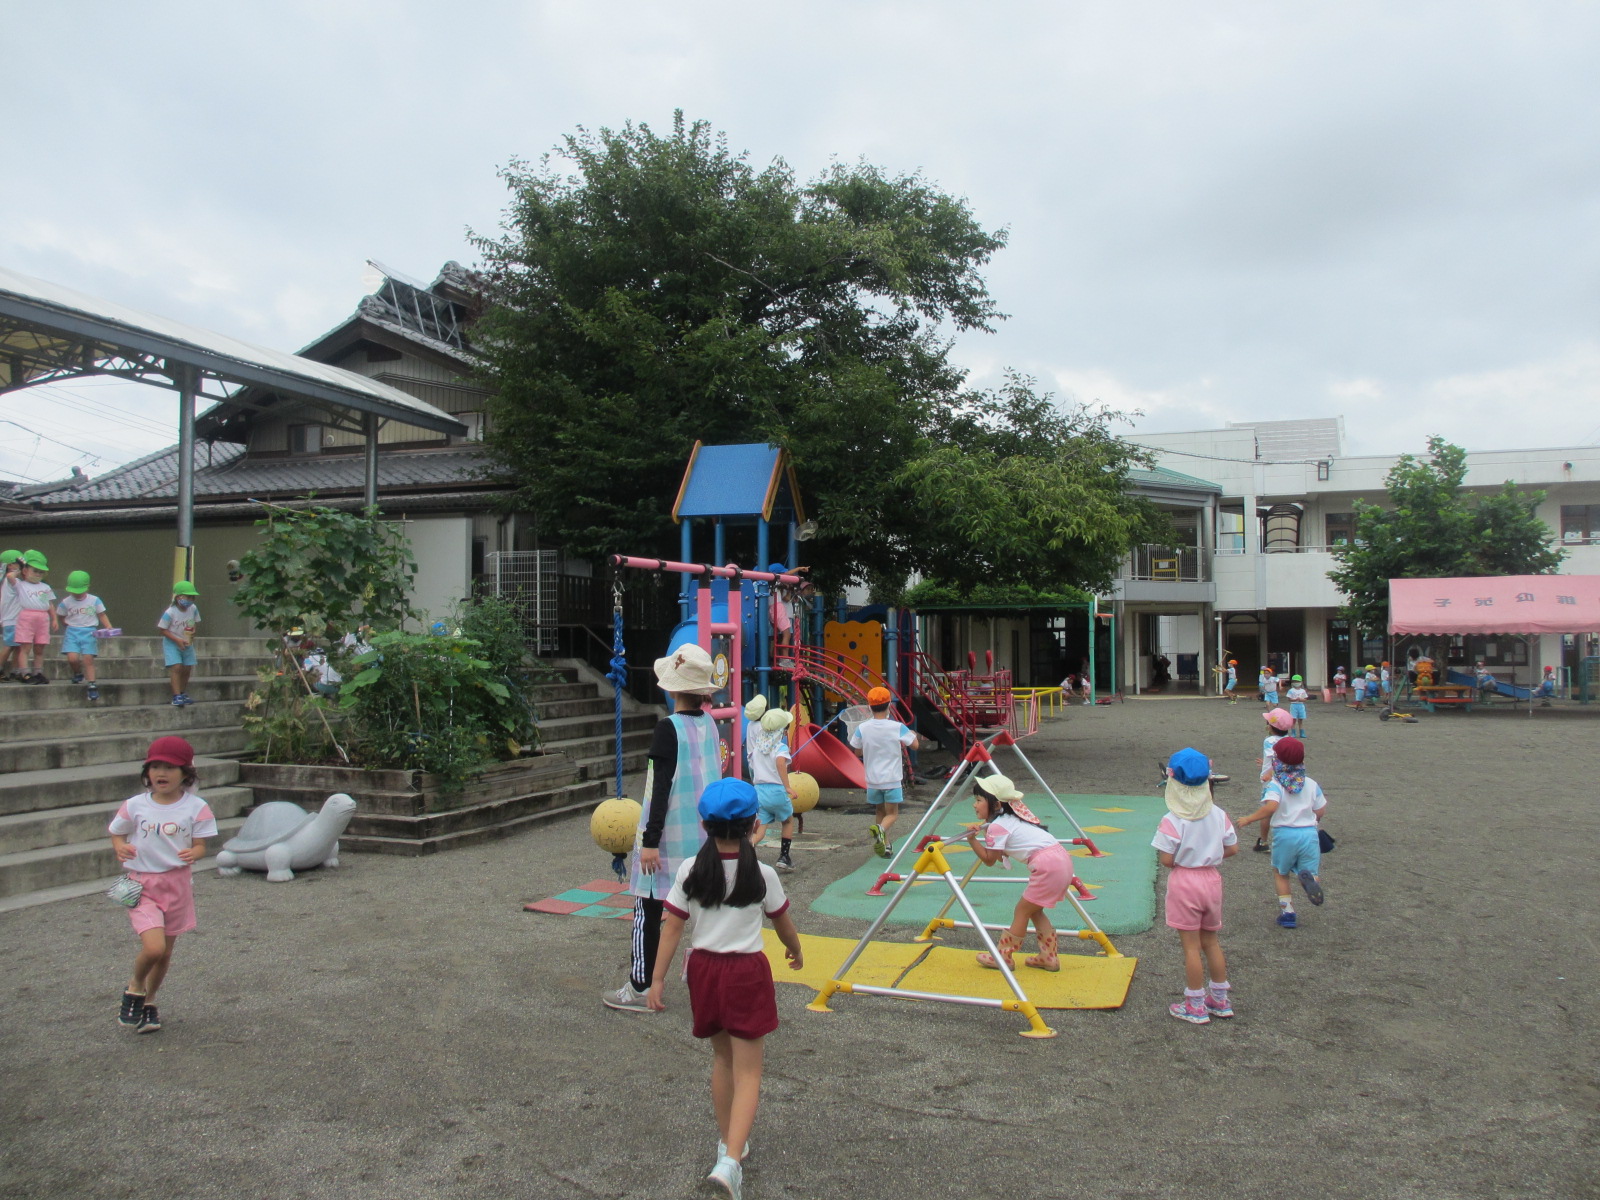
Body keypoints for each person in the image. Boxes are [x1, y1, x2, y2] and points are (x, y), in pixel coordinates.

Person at [647, 777, 803, 1200]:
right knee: (749, 1069)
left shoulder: (690, 869)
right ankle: (731, 1161)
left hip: (704, 971)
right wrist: (796, 951)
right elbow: (783, 923)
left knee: (722, 1060)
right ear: (754, 822)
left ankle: (728, 1144)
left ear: (705, 824)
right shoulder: (763, 873)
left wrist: (657, 979)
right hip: (746, 972)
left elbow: (673, 927)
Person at [604, 643, 722, 1013]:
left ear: (672, 689)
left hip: (668, 837)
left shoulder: (668, 728)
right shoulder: (710, 725)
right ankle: (710, 981)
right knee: (703, 908)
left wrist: (650, 840)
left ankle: (640, 986)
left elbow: (659, 788)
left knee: (648, 909)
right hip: (702, 836)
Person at [108, 736, 218, 1034]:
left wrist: (193, 853)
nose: (162, 772)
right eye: (155, 766)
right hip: (142, 886)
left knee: (166, 952)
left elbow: (201, 846)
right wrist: (120, 847)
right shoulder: (134, 805)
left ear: (186, 773)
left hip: (177, 886)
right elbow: (116, 832)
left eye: (170, 767)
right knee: (154, 948)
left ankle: (149, 1003)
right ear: (147, 772)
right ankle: (134, 987)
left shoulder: (197, 807)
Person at [1152, 747, 1238, 1024]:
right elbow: (1232, 848)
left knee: (1190, 946)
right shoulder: (1218, 814)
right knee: (1211, 942)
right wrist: (1208, 854)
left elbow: (1166, 859)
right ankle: (1221, 999)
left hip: (1185, 880)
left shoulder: (1172, 819)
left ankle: (1195, 1004)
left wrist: (1187, 857)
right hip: (1211, 879)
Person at [963, 775, 1080, 971]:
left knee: (1022, 911)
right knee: (1035, 910)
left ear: (996, 804)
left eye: (978, 800)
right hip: (1061, 860)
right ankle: (1048, 957)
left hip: (1047, 865)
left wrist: (972, 840)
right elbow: (999, 851)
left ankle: (1004, 957)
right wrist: (984, 834)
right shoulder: (1010, 819)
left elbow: (990, 860)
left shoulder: (998, 826)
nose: (974, 805)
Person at [1234, 736, 1327, 928]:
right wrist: (1315, 820)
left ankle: (1288, 913)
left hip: (1285, 834)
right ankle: (1312, 882)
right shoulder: (1310, 783)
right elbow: (1320, 810)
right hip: (1309, 834)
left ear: (1277, 760)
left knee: (1281, 873)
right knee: (1309, 869)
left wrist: (1250, 818)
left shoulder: (1276, 784)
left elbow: (1271, 806)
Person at [849, 685, 922, 858]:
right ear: (889, 705)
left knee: (880, 812)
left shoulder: (863, 728)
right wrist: (912, 733)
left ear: (869, 706)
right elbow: (915, 745)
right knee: (892, 814)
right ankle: (880, 830)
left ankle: (885, 844)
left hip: (873, 780)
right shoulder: (897, 727)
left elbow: (857, 751)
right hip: (892, 779)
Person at [745, 704, 798, 872]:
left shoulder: (758, 749)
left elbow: (753, 767)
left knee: (761, 828)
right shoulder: (780, 747)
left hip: (759, 791)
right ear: (782, 731)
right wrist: (787, 786)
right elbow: (780, 762)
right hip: (776, 790)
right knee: (788, 820)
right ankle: (784, 856)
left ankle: (745, 849)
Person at [57, 570, 112, 700]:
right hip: (72, 631)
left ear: (87, 587)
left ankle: (92, 684)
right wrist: (64, 623)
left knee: (88, 659)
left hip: (89, 631)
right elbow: (61, 614)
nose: (76, 593)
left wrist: (108, 626)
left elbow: (101, 614)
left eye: (79, 590)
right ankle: (77, 673)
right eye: (73, 590)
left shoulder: (94, 600)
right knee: (72, 658)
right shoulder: (66, 601)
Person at [6, 550, 57, 684]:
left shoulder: (45, 587)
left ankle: (38, 671)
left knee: (40, 646)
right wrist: (21, 568)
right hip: (27, 616)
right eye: (35, 571)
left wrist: (54, 618)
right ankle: (24, 672)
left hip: (42, 617)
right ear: (26, 570)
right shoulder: (21, 585)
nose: (38, 574)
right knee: (25, 647)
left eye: (41, 572)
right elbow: (10, 576)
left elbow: (49, 603)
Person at [1253, 708, 1294, 853]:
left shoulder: (1269, 740)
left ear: (1270, 727)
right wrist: (1265, 762)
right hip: (1288, 779)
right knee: (1285, 808)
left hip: (1271, 781)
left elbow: (1278, 759)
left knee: (1267, 810)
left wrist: (1269, 772)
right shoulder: (1290, 741)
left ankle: (1264, 841)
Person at [158, 581, 202, 707]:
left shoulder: (193, 609)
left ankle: (182, 692)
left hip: (187, 642)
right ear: (179, 598)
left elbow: (194, 623)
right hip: (172, 642)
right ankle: (176, 695)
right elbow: (162, 629)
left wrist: (191, 634)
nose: (191, 600)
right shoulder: (170, 612)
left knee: (187, 667)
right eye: (188, 597)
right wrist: (177, 640)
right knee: (176, 667)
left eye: (192, 597)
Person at [0, 549, 23, 681]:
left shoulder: (10, 581)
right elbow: (11, 576)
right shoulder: (10, 579)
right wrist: (22, 570)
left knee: (17, 647)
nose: (21, 566)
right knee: (9, 646)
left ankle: (15, 671)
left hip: (16, 619)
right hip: (12, 620)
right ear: (10, 565)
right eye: (18, 563)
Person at [1285, 674, 1310, 739]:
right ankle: (1293, 733)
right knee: (1293, 720)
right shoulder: (1291, 690)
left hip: (1301, 705)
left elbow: (1305, 699)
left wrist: (1301, 699)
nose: (1296, 683)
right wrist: (1295, 699)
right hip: (1294, 705)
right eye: (1294, 681)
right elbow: (1289, 699)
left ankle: (1302, 733)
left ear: (1301, 682)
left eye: (1298, 681)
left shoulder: (1303, 691)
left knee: (1300, 720)